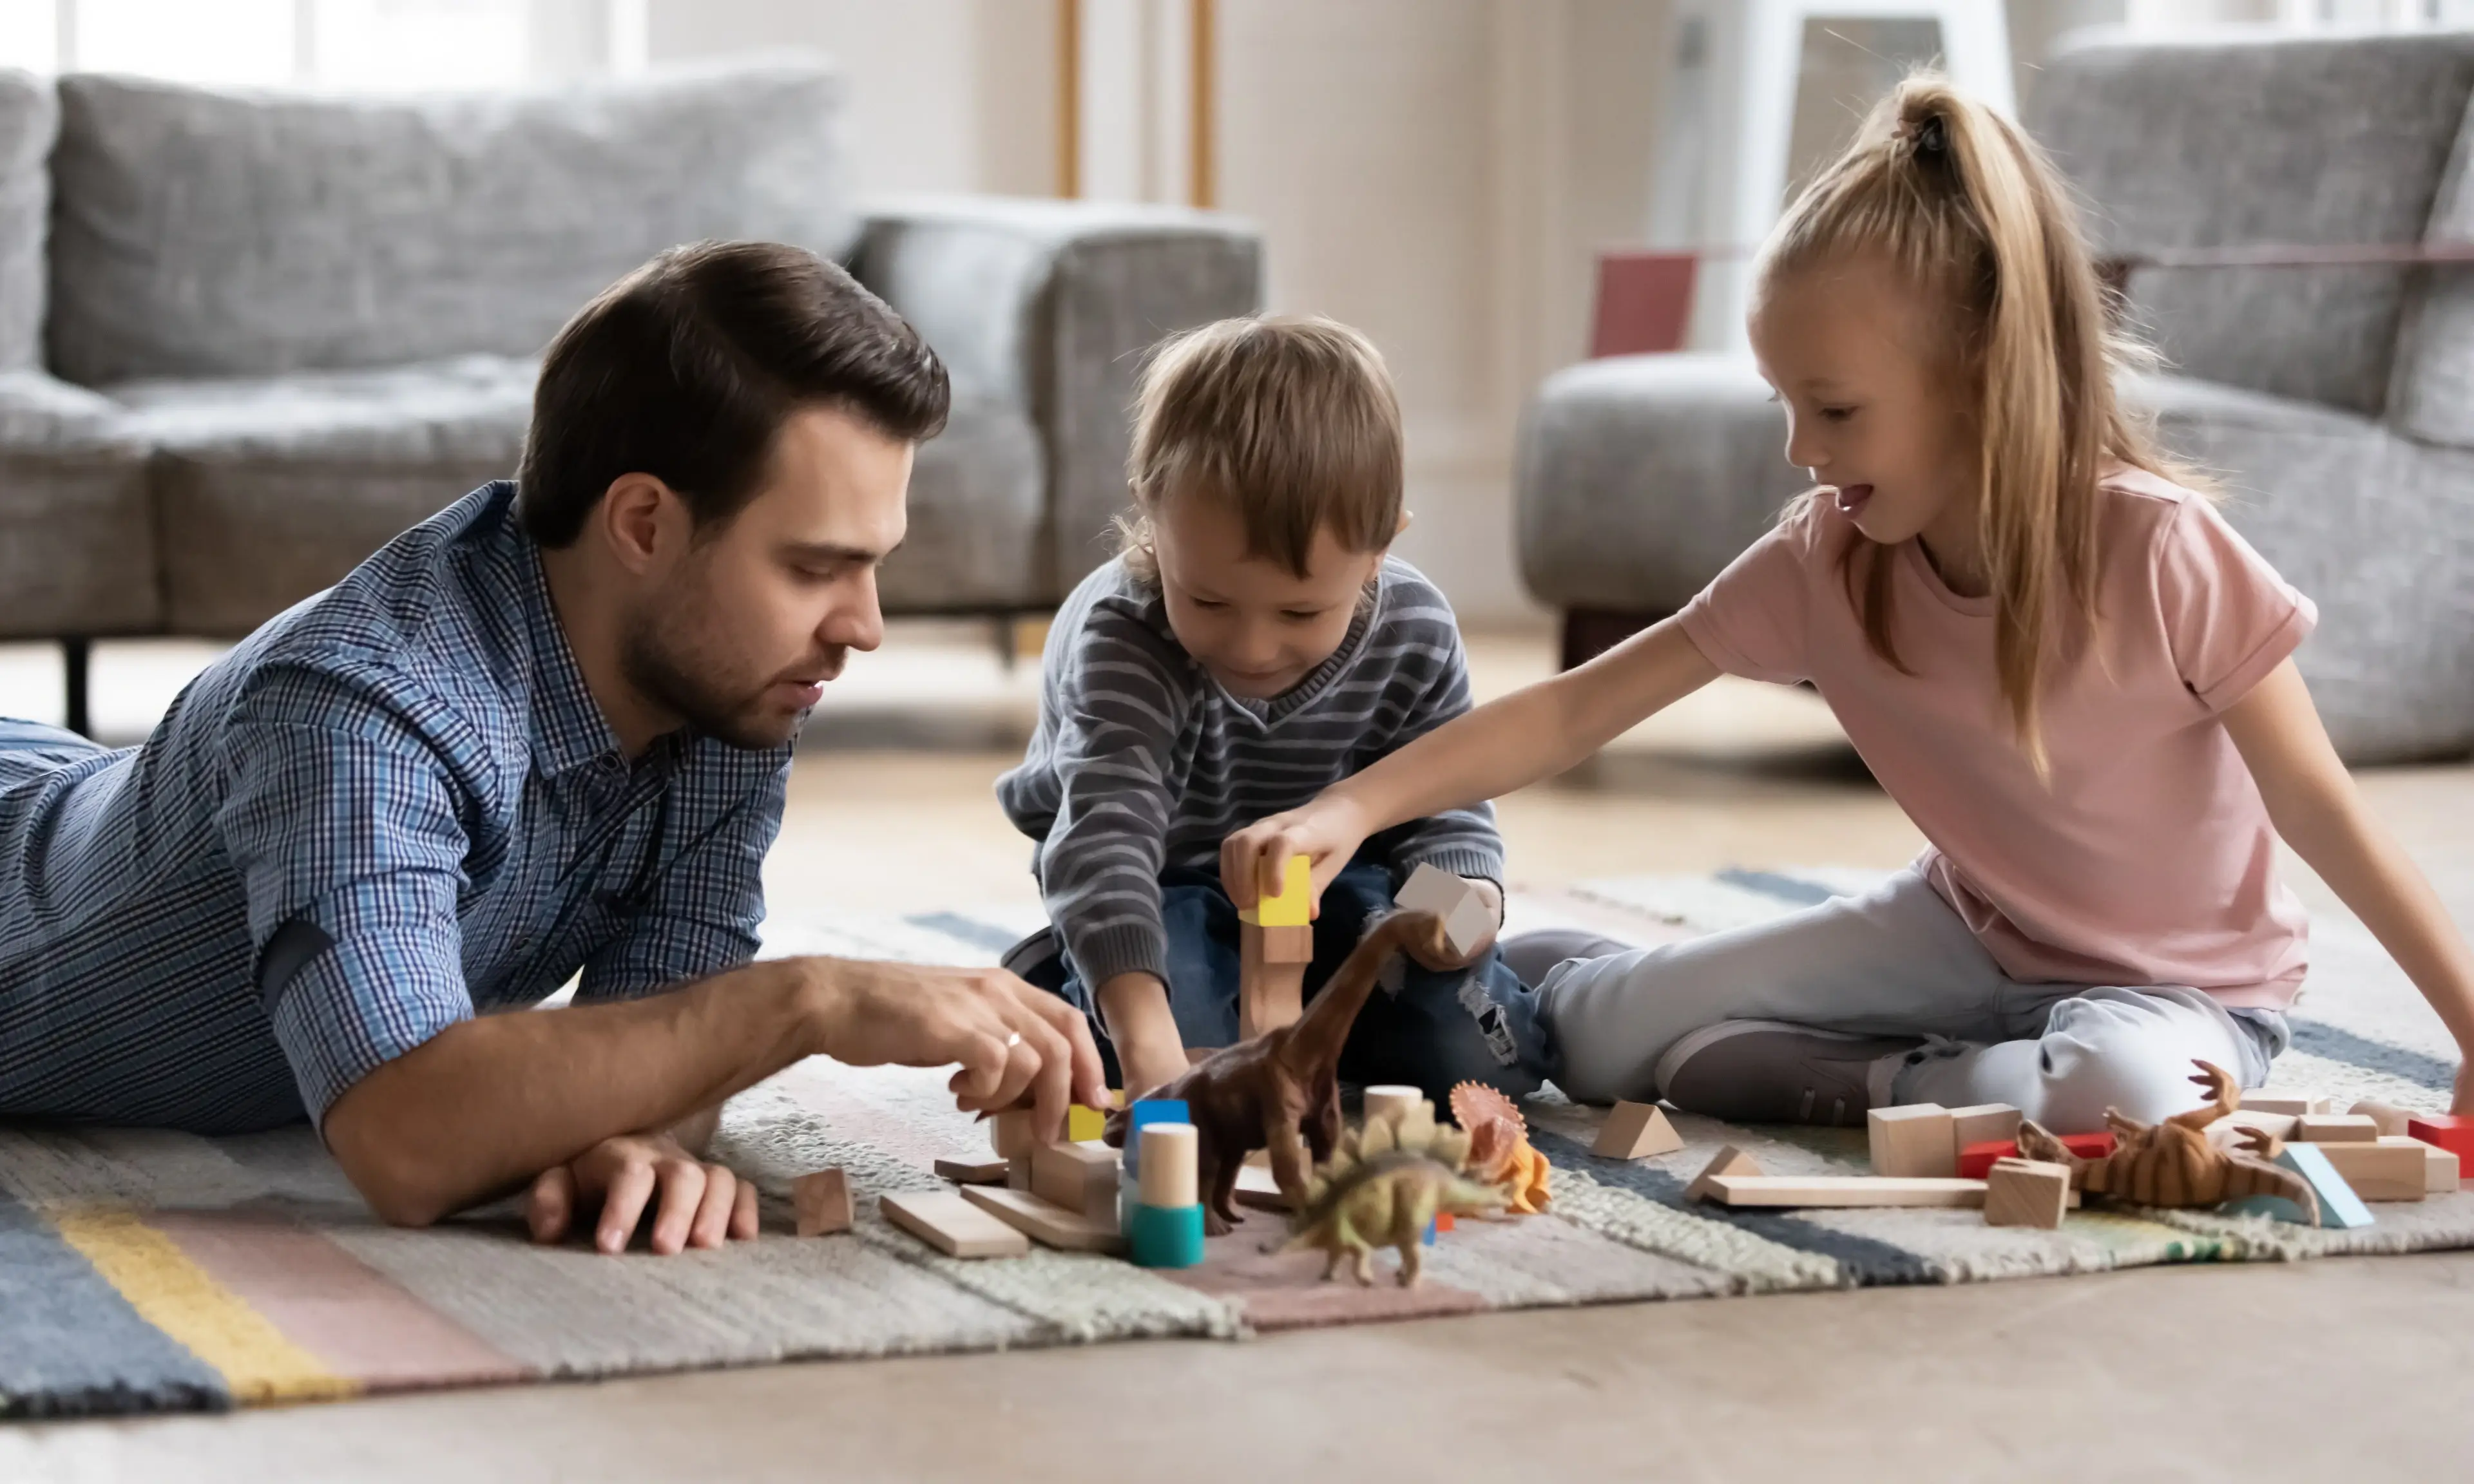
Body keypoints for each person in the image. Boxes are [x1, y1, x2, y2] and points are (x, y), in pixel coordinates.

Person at [1223, 77, 2474, 1133]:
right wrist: (1352, 804)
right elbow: (1577, 711)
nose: (1797, 450)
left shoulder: (2161, 552)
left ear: (1981, 376)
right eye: (1784, 402)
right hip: (1963, 931)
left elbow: (2322, 808)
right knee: (1590, 1055)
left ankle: (1860, 1084)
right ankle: (1641, 994)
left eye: (1834, 410)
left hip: (2185, 994)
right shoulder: (1829, 561)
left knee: (2125, 1099)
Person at [0, 241, 1105, 1254]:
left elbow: (670, 994)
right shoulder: (357, 704)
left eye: (872, 565)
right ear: (641, 525)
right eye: (815, 567)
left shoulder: (729, 685)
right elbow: (404, 1130)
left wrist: (633, 1135)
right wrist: (804, 998)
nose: (862, 624)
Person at [995, 316, 1551, 1106]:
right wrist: (1154, 1053)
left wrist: (1467, 908)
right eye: (1210, 600)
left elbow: (1445, 804)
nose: (1253, 648)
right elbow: (1105, 842)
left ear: (1381, 547)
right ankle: (1067, 971)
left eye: (1299, 614)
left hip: (1342, 886)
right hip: (1163, 885)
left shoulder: (1414, 630)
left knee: (1482, 1064)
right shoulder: (1124, 635)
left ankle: (1507, 991)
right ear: (1153, 516)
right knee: (1146, 1061)